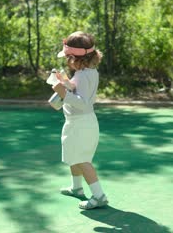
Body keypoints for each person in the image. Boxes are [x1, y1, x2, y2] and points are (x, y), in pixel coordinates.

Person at [51, 31, 108, 210]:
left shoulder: (83, 75)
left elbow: (82, 103)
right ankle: (77, 187)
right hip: (80, 122)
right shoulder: (88, 72)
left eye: (68, 58)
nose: (67, 62)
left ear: (77, 59)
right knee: (73, 156)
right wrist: (67, 82)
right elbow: (81, 89)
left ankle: (99, 196)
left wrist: (63, 94)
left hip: (81, 123)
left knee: (82, 160)